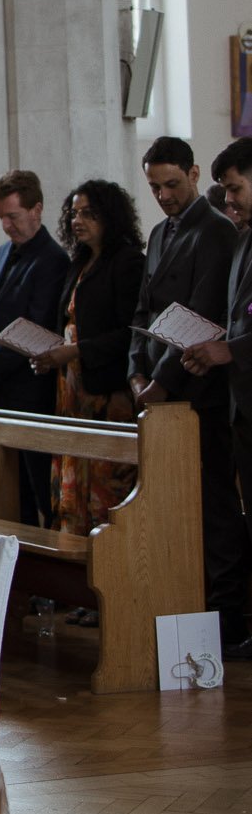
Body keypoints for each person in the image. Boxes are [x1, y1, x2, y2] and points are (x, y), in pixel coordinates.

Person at [129, 135, 245, 649]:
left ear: (194, 175)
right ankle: (185, 611)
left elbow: (201, 317)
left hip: (200, 394)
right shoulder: (157, 235)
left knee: (214, 509)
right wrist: (136, 372)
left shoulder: (216, 232)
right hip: (157, 387)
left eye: (173, 184)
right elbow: (144, 311)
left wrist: (162, 382)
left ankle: (225, 617)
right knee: (173, 509)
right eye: (155, 187)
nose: (164, 196)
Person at [31, 181, 145, 539]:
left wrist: (76, 351)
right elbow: (68, 322)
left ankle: (107, 567)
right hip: (70, 387)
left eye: (88, 214)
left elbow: (131, 331)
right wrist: (50, 356)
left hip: (105, 391)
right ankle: (72, 569)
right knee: (71, 479)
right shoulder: (79, 261)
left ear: (110, 217)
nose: (78, 220)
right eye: (74, 213)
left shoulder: (127, 261)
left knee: (104, 484)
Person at [0, 170, 70, 525]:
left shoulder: (53, 260)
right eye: (2, 218)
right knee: (8, 497)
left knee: (40, 491)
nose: (7, 226)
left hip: (30, 393)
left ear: (36, 209)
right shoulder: (0, 254)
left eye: (13, 216)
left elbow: (36, 325)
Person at [181, 139, 252, 660]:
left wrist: (231, 351)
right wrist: (212, 349)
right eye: (227, 190)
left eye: (236, 188)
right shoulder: (244, 239)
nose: (230, 201)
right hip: (242, 404)